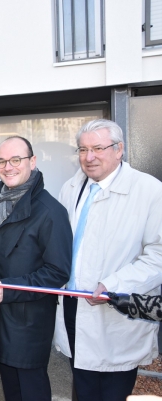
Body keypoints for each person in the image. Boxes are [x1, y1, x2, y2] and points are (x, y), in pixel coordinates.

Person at [55, 119, 162, 401]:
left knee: (113, 390)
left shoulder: (149, 191)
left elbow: (159, 254)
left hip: (115, 309)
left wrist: (111, 284)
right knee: (83, 387)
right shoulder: (71, 187)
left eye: (98, 148)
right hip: (73, 307)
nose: (89, 157)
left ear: (119, 149)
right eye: (83, 149)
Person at [0, 136, 72, 400]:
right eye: (2, 161)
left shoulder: (50, 211)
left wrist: (9, 291)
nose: (8, 167)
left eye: (16, 160)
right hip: (0, 315)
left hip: (29, 320)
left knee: (30, 387)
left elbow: (57, 272)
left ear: (32, 161)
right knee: (11, 387)